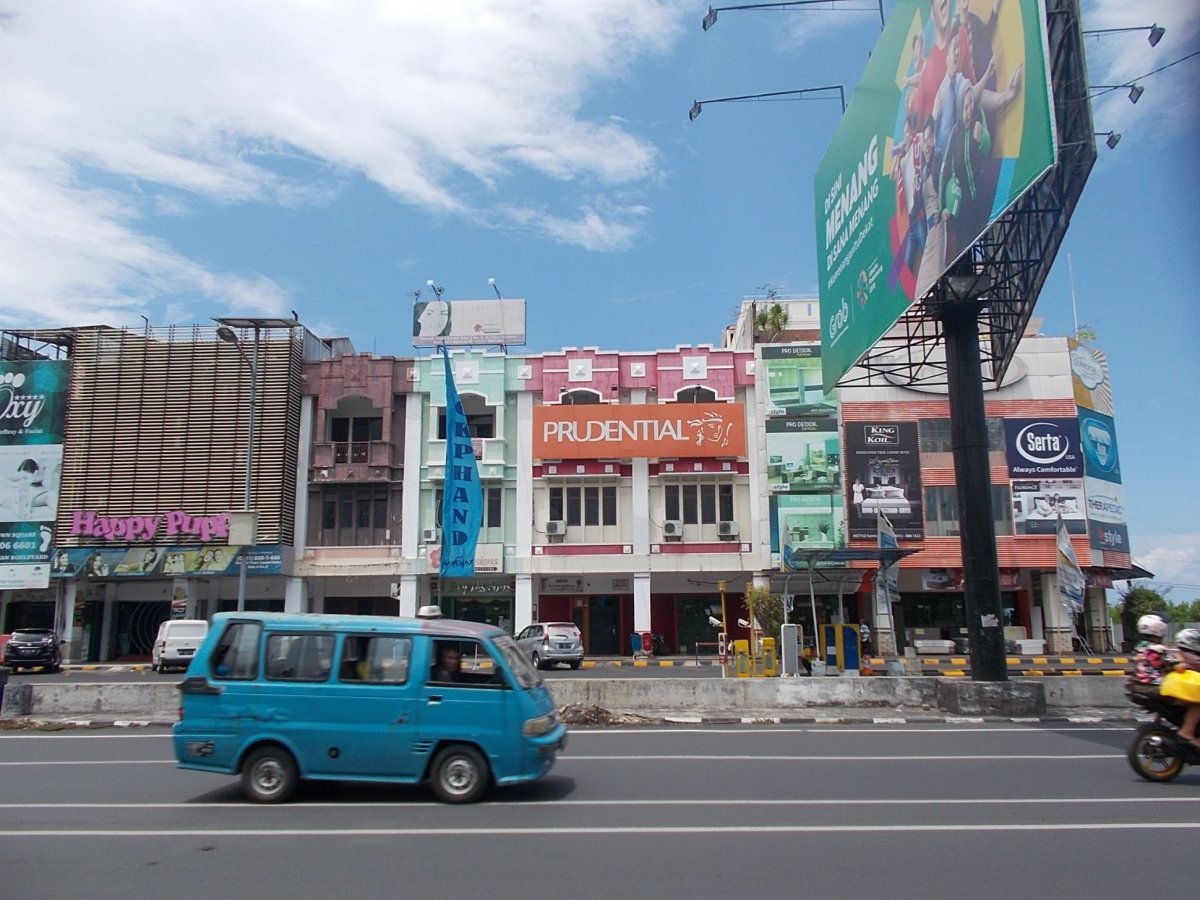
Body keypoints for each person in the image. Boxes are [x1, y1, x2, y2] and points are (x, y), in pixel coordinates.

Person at [1160, 628, 1200, 748]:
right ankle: (1188, 733)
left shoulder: (1174, 654)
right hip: (1183, 692)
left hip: (1169, 689)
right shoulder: (1193, 657)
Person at [1126, 614, 1171, 700]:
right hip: (1154, 686)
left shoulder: (1139, 647)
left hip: (1136, 684)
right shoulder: (1159, 649)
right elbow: (1171, 662)